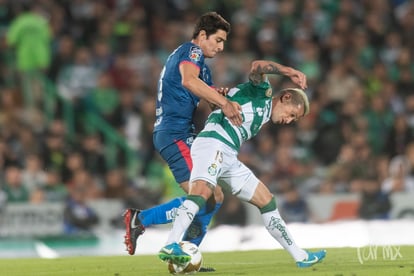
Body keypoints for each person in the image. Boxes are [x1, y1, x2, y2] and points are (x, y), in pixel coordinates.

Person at [158, 60, 326, 268]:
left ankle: (300, 256)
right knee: (201, 192)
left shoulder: (263, 112)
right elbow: (257, 66)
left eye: (294, 119)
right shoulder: (262, 93)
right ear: (286, 97)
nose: (289, 121)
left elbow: (225, 101)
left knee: (266, 200)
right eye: (291, 114)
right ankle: (171, 244)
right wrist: (288, 71)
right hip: (213, 143)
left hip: (228, 153)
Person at [123, 12, 242, 270]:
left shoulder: (202, 69)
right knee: (204, 193)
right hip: (174, 133)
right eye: (218, 40)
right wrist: (223, 102)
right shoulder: (192, 52)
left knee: (213, 196)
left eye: (224, 42)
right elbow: (189, 81)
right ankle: (139, 219)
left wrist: (219, 98)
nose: (221, 47)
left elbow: (207, 100)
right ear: (202, 36)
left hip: (182, 133)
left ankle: (186, 257)